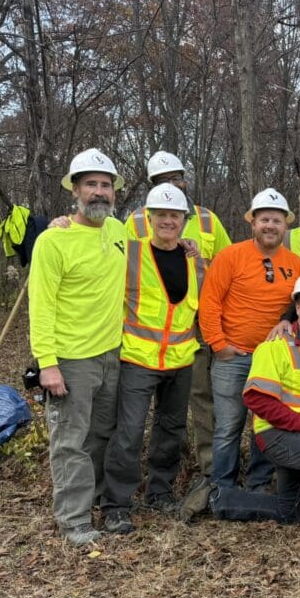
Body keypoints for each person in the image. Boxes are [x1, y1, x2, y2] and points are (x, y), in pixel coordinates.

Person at [182, 271, 300, 543]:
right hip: (279, 435)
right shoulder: (275, 346)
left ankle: (219, 498)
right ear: (297, 307)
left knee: (292, 510)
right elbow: (256, 399)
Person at [29, 148, 127, 545]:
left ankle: (96, 499)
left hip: (111, 354)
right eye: (91, 184)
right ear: (74, 190)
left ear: (114, 192)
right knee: (71, 440)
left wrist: (189, 246)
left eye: (105, 185)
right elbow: (41, 306)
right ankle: (73, 520)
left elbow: (160, 235)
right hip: (71, 360)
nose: (99, 192)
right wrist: (47, 364)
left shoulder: (118, 231)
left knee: (100, 435)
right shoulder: (53, 241)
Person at [101, 184, 205, 532]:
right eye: (161, 215)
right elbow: (92, 240)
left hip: (180, 360)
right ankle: (116, 503)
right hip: (138, 358)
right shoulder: (129, 252)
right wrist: (61, 224)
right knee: (129, 432)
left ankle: (159, 492)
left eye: (174, 215)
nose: (168, 221)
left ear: (183, 220)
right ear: (148, 218)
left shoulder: (193, 259)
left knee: (171, 429)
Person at [125, 150, 232, 481]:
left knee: (200, 397)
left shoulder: (208, 220)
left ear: (186, 180)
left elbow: (226, 267)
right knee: (143, 416)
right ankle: (166, 464)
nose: (173, 184)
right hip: (145, 336)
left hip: (194, 330)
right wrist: (64, 223)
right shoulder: (135, 221)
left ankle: (208, 467)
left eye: (177, 177)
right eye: (163, 180)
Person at [195, 189, 300, 501]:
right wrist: (219, 345)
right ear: (253, 223)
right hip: (233, 356)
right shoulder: (231, 256)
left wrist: (288, 323)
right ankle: (223, 487)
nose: (270, 226)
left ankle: (259, 484)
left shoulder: (295, 264)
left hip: (272, 361)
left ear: (285, 225)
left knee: (266, 424)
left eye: (277, 220)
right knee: (228, 426)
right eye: (264, 219)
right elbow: (210, 302)